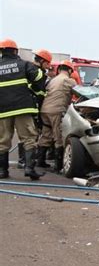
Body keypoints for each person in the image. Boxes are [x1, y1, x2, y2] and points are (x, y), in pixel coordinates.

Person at [0, 38, 45, 180]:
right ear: (15, 51)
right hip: (23, 108)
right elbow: (39, 77)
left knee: (2, 140)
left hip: (3, 110)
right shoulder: (24, 65)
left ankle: (2, 171)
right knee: (29, 138)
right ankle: (29, 169)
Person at [37, 60, 77, 172]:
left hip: (44, 110)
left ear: (59, 69)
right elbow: (80, 92)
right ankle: (58, 166)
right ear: (70, 70)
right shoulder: (68, 80)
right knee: (58, 135)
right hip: (56, 110)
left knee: (46, 134)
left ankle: (40, 161)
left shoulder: (53, 80)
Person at [16, 49, 52, 169]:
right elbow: (36, 91)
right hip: (31, 106)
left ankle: (25, 160)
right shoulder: (36, 72)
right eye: (47, 63)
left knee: (29, 134)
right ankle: (24, 160)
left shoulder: (33, 70)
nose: (49, 66)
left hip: (31, 105)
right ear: (41, 61)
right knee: (29, 134)